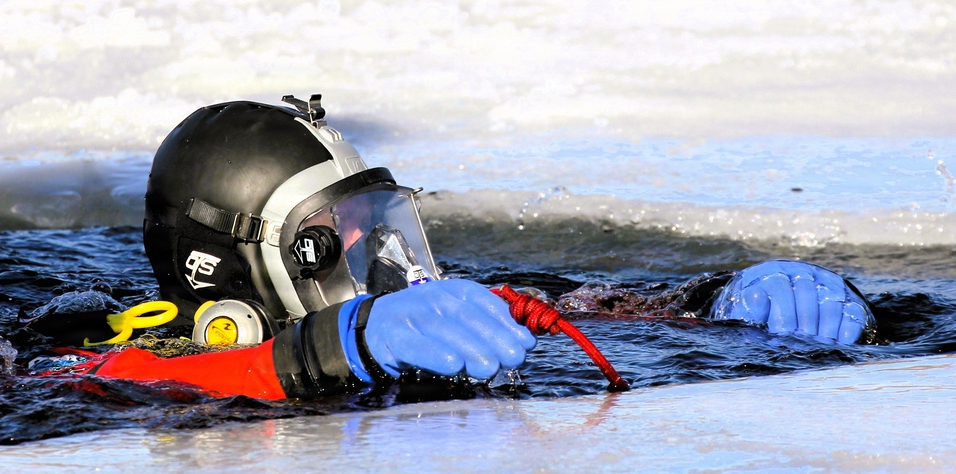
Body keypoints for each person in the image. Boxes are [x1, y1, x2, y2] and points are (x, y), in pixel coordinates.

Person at [61, 94, 876, 399]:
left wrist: (713, 299)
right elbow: (95, 383)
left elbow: (599, 311)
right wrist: (332, 350)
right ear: (230, 272)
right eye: (332, 241)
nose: (378, 253)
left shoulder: (405, 317)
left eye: (377, 220)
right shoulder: (120, 357)